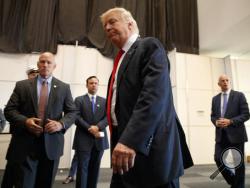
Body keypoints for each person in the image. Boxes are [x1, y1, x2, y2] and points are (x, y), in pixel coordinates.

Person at [100, 7, 192, 188]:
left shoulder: (149, 46)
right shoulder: (120, 59)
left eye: (112, 22)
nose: (107, 28)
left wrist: (130, 140)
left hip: (148, 148)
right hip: (124, 143)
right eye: (105, 26)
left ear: (130, 23)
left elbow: (153, 96)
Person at [1, 52, 77, 188]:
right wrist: (25, 121)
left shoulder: (64, 88)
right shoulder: (22, 86)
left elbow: (72, 112)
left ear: (54, 66)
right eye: (42, 62)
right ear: (38, 65)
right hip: (25, 145)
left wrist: (61, 124)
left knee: (45, 184)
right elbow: (9, 111)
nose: (45, 65)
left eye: (49, 62)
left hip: (52, 146)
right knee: (24, 184)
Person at [68, 75, 109, 188]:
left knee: (95, 168)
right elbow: (76, 117)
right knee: (82, 168)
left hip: (99, 140)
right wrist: (89, 128)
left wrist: (98, 126)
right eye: (91, 83)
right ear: (86, 85)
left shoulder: (104, 101)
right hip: (83, 139)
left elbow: (108, 117)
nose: (94, 85)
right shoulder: (79, 100)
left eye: (96, 83)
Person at [211, 74, 249, 188]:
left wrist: (230, 121)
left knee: (239, 163)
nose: (225, 82)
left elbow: (246, 114)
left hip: (236, 134)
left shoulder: (239, 96)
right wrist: (215, 122)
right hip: (221, 135)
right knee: (218, 158)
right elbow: (213, 116)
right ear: (219, 84)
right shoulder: (215, 99)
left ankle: (239, 186)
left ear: (229, 82)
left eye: (227, 80)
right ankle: (233, 181)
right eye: (222, 81)